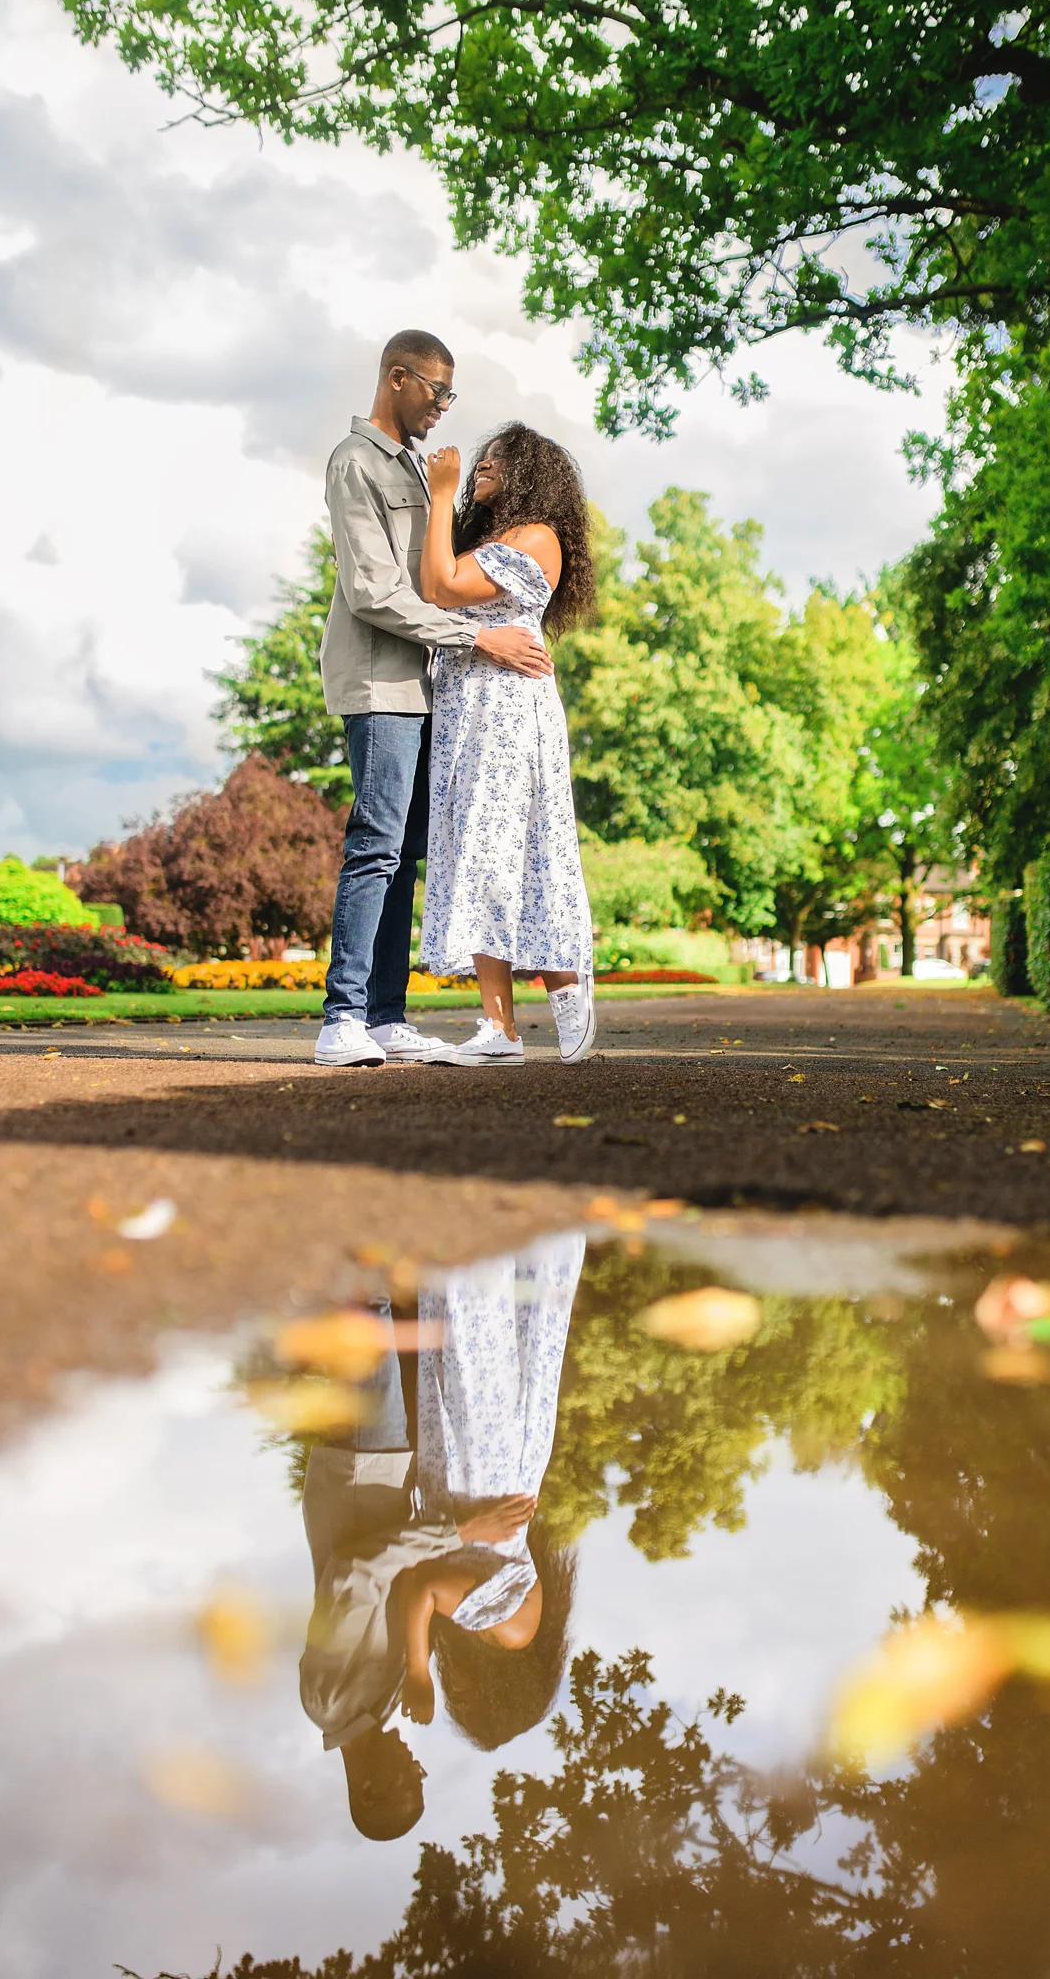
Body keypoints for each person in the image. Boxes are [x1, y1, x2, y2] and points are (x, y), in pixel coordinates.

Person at [314, 333, 554, 1069]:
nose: (444, 409)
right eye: (436, 393)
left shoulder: (419, 469)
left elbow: (441, 573)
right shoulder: (355, 463)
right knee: (376, 845)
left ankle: (384, 1016)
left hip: (426, 687)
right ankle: (341, 1019)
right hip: (380, 679)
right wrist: (475, 641)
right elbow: (374, 592)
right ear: (397, 378)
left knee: (405, 854)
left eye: (452, 397)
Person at [297, 1293, 538, 1839]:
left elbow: (354, 1572)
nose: (418, 1766)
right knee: (398, 1323)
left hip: (361, 1474)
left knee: (369, 1311)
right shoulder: (376, 1706)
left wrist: (464, 1532)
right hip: (386, 1475)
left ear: (371, 1789)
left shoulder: (330, 1699)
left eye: (412, 1780)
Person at [418, 424, 597, 1067]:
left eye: (498, 460)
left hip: (508, 709)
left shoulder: (536, 537)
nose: (480, 465)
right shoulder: (487, 540)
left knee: (515, 848)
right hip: (465, 707)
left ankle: (564, 977)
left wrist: (440, 494)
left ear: (528, 473)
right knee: (476, 853)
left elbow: (441, 587)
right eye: (481, 460)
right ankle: (500, 1031)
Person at [397, 1234, 582, 1749]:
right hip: (482, 1468)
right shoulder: (511, 1630)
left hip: (482, 1470)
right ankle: (475, 1229)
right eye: (467, 1700)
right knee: (478, 1343)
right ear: (496, 1693)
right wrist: (418, 1670)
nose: (455, 1690)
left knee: (489, 1342)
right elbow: (425, 1589)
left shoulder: (510, 1628)